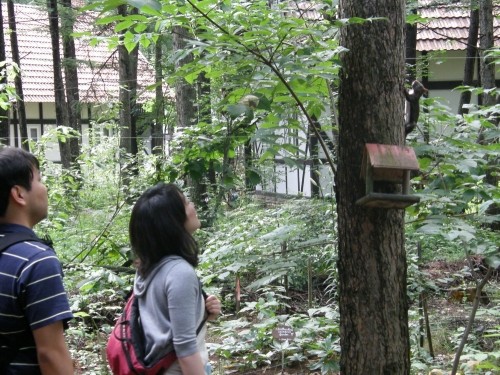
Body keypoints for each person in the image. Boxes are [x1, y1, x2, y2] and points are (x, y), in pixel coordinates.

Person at [129, 183, 221, 375]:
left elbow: (161, 324)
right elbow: (186, 352)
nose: (193, 205)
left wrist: (202, 313)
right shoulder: (179, 273)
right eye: (186, 202)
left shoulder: (147, 266)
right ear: (171, 221)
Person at [0, 147, 74, 374]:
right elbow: (50, 355)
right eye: (40, 180)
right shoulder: (35, 261)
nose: (45, 188)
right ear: (19, 194)